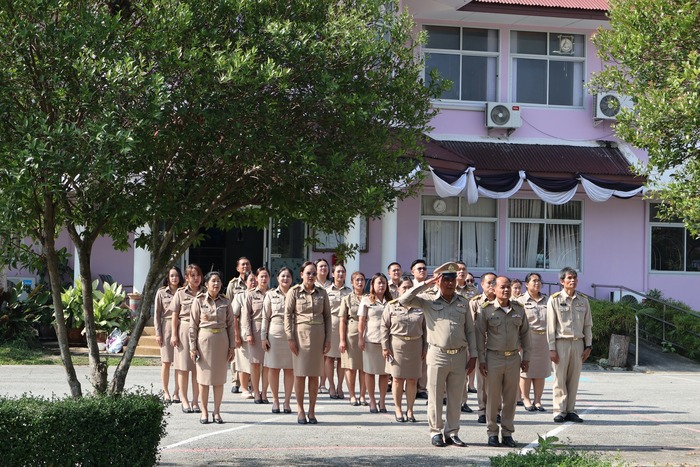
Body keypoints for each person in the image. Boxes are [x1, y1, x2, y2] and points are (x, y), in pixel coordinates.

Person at [399, 262, 478, 448]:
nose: (450, 283)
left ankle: (452, 432)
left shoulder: (463, 302)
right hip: (437, 354)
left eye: (452, 279)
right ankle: (435, 431)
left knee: (456, 397)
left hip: (459, 355)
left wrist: (473, 355)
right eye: (445, 279)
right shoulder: (427, 299)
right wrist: (426, 284)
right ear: (438, 281)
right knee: (434, 396)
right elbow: (403, 300)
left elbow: (470, 330)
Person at [476, 276, 531, 448]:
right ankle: (492, 433)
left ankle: (507, 433)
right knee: (493, 398)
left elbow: (525, 334)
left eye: (508, 287)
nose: (506, 290)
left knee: (510, 399)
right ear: (493, 289)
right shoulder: (486, 310)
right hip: (494, 358)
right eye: (502, 287)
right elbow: (479, 337)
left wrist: (526, 357)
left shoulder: (519, 309)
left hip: (513, 358)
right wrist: (481, 360)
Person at [285, 261, 331, 424]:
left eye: (313, 273)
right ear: (302, 274)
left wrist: (328, 339)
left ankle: (312, 410)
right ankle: (300, 409)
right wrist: (290, 338)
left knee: (314, 375)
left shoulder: (322, 293)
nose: (311, 276)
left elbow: (327, 317)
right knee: (300, 374)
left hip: (318, 336)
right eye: (308, 273)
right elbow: (288, 315)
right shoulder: (294, 292)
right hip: (300, 336)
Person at [189, 271, 235, 424]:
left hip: (221, 341)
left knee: (219, 380)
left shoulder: (226, 302)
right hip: (204, 342)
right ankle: (204, 411)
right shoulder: (199, 301)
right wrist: (192, 347)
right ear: (206, 284)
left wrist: (232, 347)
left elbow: (231, 326)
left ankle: (216, 411)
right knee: (203, 380)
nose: (216, 284)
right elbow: (193, 326)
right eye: (213, 281)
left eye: (218, 281)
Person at [547, 267, 592, 424]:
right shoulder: (554, 299)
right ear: (562, 281)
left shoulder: (583, 300)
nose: (573, 281)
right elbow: (551, 327)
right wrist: (552, 348)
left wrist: (588, 346)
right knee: (559, 378)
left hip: (578, 343)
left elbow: (588, 325)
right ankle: (559, 410)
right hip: (561, 343)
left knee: (574, 378)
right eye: (569, 278)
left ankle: (571, 410)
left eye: (575, 278)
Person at [381, 276, 426, 423]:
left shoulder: (420, 306)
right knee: (397, 379)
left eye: (409, 287)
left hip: (415, 345)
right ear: (398, 289)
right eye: (404, 287)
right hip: (397, 346)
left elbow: (426, 329)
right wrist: (385, 347)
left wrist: (425, 348)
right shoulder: (391, 306)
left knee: (412, 380)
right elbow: (384, 327)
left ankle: (410, 409)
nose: (407, 290)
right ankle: (398, 408)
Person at [169, 264, 205, 414]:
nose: (196, 278)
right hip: (184, 330)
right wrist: (174, 334)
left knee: (198, 369)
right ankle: (184, 400)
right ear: (187, 277)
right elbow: (174, 315)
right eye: (193, 275)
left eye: (198, 275)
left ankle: (195, 401)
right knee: (183, 368)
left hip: (201, 331)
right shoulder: (180, 293)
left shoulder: (205, 293)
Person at [358, 273, 393, 414]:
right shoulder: (366, 300)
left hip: (387, 341)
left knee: (385, 373)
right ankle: (372, 400)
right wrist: (360, 338)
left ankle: (382, 400)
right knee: (370, 372)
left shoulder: (391, 301)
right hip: (371, 339)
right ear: (372, 285)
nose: (381, 285)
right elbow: (362, 320)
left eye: (384, 282)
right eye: (379, 282)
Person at [262, 267, 295, 414]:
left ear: (292, 279)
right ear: (277, 278)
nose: (285, 279)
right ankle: (275, 400)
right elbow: (265, 317)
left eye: (288, 276)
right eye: (283, 276)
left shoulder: (296, 294)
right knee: (273, 368)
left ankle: (287, 401)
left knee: (290, 369)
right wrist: (263, 337)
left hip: (291, 334)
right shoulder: (270, 295)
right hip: (274, 333)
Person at [518, 272, 550, 412]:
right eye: (534, 281)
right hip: (527, 338)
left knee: (540, 371)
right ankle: (526, 399)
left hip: (544, 340)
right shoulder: (520, 300)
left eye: (539, 281)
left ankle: (538, 400)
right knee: (526, 371)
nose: (537, 283)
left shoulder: (547, 300)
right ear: (526, 284)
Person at [470, 272, 497, 424]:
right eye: (489, 283)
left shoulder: (504, 301)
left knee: (497, 381)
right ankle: (482, 410)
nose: (492, 285)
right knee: (482, 381)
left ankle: (496, 411)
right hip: (481, 346)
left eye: (494, 282)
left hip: (499, 346)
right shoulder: (475, 302)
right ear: (482, 285)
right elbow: (470, 326)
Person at [154, 266, 184, 403]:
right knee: (166, 362)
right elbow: (156, 314)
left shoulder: (183, 291)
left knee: (179, 363)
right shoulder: (161, 292)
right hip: (166, 327)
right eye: (172, 275)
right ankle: (166, 392)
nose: (174, 278)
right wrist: (158, 333)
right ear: (167, 278)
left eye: (176, 275)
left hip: (181, 327)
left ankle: (177, 392)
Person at [339, 271, 368, 406]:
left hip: (367, 333)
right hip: (352, 333)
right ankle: (352, 395)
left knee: (364, 367)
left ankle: (362, 395)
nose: (360, 282)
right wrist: (342, 340)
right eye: (357, 280)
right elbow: (342, 321)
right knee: (350, 366)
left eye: (362, 280)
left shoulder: (369, 298)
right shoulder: (347, 299)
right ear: (351, 282)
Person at [243, 267, 271, 403]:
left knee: (267, 364)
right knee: (255, 363)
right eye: (261, 276)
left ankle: (264, 392)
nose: (264, 279)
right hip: (256, 330)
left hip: (270, 331)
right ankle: (256, 392)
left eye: (266, 276)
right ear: (256, 278)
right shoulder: (251, 295)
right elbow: (246, 316)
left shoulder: (273, 294)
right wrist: (249, 333)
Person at [325, 264, 351, 399]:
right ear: (333, 274)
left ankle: (340, 386)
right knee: (329, 357)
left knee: (342, 358)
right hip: (331, 326)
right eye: (338, 272)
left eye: (343, 272)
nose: (340, 274)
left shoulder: (349, 292)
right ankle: (331, 385)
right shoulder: (326, 291)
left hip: (346, 326)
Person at [226, 256, 252, 394]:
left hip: (250, 326)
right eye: (242, 264)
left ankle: (249, 382)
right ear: (237, 268)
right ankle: (235, 381)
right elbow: (229, 304)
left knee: (249, 356)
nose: (245, 266)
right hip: (236, 322)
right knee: (236, 355)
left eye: (247, 264)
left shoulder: (254, 281)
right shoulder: (233, 284)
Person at [232, 271, 257, 400]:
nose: (254, 282)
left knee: (256, 363)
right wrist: (236, 336)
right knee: (243, 363)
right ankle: (244, 388)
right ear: (245, 282)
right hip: (243, 335)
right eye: (251, 280)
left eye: (255, 279)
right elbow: (234, 317)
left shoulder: (263, 295)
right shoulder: (240, 296)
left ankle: (254, 388)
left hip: (258, 334)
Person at [410, 258, 430, 400]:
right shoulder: (407, 285)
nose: (422, 270)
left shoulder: (430, 287)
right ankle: (409, 385)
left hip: (428, 324)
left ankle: (421, 388)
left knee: (424, 356)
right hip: (412, 324)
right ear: (413, 272)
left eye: (424, 268)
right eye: (419, 269)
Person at [315, 258, 332, 393]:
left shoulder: (332, 286)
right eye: (320, 266)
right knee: (316, 355)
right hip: (316, 323)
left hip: (328, 322)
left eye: (325, 266)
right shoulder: (311, 284)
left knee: (326, 354)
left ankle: (323, 383)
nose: (323, 268)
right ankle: (314, 381)